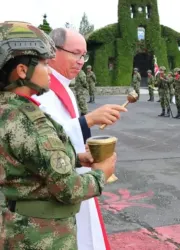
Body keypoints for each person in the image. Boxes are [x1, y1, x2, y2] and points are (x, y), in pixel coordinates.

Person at [0, 21, 117, 249]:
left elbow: (27, 157)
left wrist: (74, 157)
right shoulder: (29, 120)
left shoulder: (7, 108)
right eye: (44, 63)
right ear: (23, 71)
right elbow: (68, 188)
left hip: (15, 227)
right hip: (43, 235)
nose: (49, 70)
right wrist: (102, 174)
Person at [33, 27, 126, 250]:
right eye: (75, 53)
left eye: (84, 55)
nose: (81, 61)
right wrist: (89, 120)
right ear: (53, 51)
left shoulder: (64, 86)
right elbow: (42, 138)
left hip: (73, 173)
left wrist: (83, 151)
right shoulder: (39, 89)